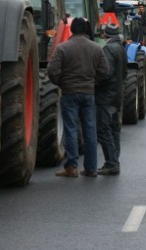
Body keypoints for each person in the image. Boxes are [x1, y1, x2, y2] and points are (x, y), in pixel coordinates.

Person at [47, 17, 109, 178]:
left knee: (71, 129)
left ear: (72, 29)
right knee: (90, 131)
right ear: (87, 30)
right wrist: (93, 82)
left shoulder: (63, 48)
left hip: (69, 94)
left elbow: (52, 71)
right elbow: (104, 71)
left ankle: (72, 166)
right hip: (89, 94)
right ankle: (91, 168)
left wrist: (62, 83)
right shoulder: (96, 48)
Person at [95, 23, 127, 175]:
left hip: (106, 95)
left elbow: (105, 73)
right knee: (114, 129)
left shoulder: (108, 49)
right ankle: (115, 160)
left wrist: (94, 83)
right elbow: (124, 72)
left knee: (104, 129)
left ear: (105, 35)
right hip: (117, 94)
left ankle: (111, 162)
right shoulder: (121, 48)